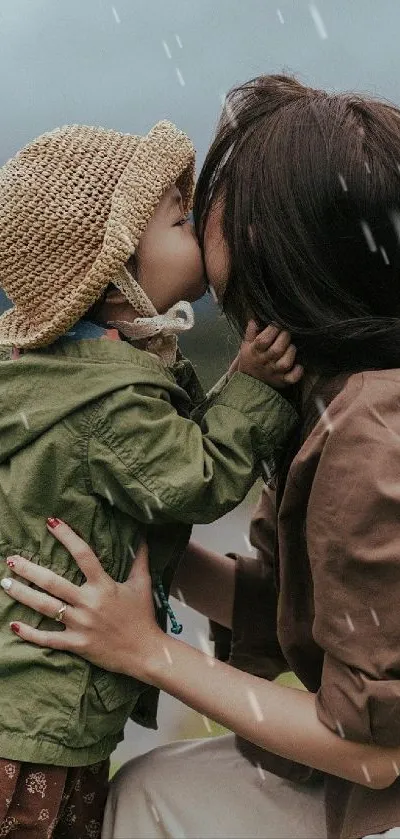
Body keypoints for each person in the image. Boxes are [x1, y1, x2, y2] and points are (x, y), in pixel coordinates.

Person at [3, 73, 400, 839]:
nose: (205, 227)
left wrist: (149, 651)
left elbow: (375, 746)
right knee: (151, 791)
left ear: (279, 242)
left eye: (203, 214)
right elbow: (308, 606)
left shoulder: (374, 434)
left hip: (384, 785)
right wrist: (110, 526)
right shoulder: (329, 390)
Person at [0, 118, 302, 838]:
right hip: (37, 723)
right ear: (115, 276)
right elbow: (193, 477)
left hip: (30, 709)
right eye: (178, 219)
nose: (197, 230)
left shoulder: (77, 375)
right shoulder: (105, 401)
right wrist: (254, 386)